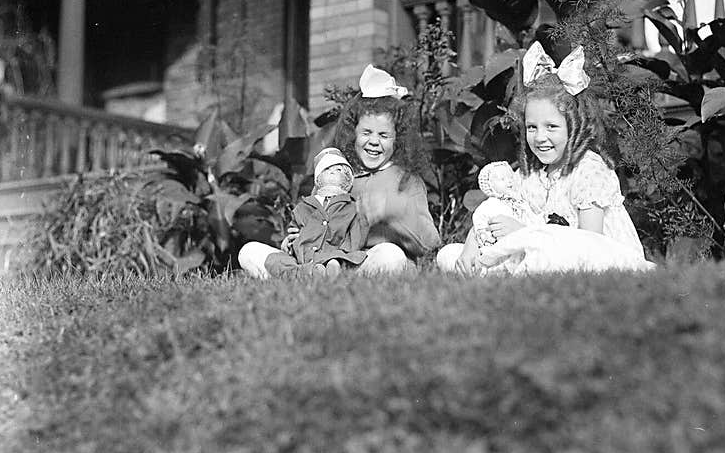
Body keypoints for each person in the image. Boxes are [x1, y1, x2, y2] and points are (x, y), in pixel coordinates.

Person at [436, 42, 655, 275]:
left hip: (586, 261)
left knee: (543, 263)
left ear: (575, 125)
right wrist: (471, 246)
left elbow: (592, 245)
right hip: (533, 254)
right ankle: (487, 270)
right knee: (449, 254)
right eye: (532, 127)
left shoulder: (589, 169)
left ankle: (507, 276)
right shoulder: (532, 172)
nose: (540, 137)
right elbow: (497, 207)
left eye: (551, 126)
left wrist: (524, 235)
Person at [239, 64, 441, 277]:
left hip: (368, 262)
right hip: (324, 258)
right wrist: (297, 238)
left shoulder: (407, 181)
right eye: (366, 132)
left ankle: (311, 276)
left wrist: (393, 211)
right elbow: (315, 220)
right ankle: (309, 273)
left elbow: (429, 243)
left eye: (383, 135)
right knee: (248, 251)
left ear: (398, 139)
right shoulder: (339, 173)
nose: (373, 141)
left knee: (391, 256)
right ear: (354, 133)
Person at [263, 147, 367, 278]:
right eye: (327, 169)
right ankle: (309, 272)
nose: (333, 172)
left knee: (346, 259)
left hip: (335, 252)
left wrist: (347, 251)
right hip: (305, 255)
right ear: (318, 178)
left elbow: (356, 234)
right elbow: (294, 229)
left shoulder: (351, 207)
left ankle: (327, 269)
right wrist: (288, 244)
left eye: (339, 170)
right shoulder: (304, 206)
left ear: (348, 179)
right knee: (275, 260)